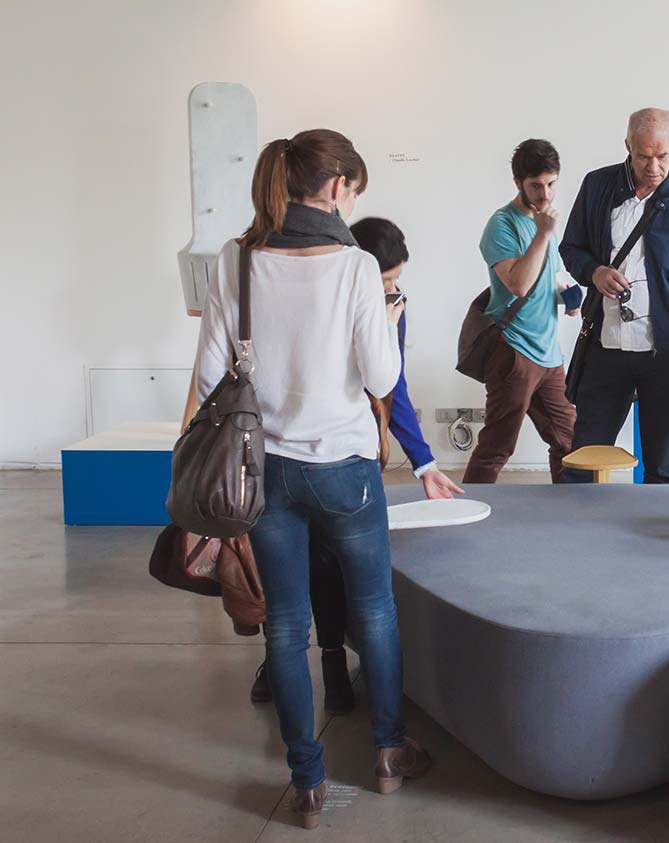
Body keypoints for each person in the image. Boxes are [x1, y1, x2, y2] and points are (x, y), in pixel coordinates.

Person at [193, 129, 431, 828]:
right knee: (377, 609)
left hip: (265, 471)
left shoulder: (235, 260)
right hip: (346, 470)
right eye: (353, 187)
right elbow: (382, 377)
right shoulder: (356, 267)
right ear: (336, 188)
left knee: (286, 625)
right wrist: (387, 321)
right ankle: (389, 753)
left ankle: (306, 781)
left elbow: (211, 378)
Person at [247, 217, 463, 713]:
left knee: (325, 569)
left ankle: (331, 671)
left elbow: (394, 386)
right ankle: (294, 670)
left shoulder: (390, 307)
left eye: (396, 281)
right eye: (385, 281)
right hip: (301, 454)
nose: (393, 292)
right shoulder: (319, 292)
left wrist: (424, 463)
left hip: (346, 454)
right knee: (291, 582)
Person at [559, 108, 669, 483]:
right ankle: (577, 533)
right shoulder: (597, 186)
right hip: (605, 344)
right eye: (643, 156)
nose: (653, 167)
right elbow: (571, 248)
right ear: (627, 147)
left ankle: (656, 540)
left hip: (668, 349)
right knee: (584, 455)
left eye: (662, 156)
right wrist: (594, 272)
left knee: (661, 464)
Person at [463, 139, 580, 482]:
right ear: (518, 183)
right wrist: (543, 234)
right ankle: (468, 515)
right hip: (513, 351)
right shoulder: (502, 225)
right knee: (497, 447)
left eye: (551, 183)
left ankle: (567, 513)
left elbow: (550, 278)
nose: (545, 194)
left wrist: (569, 297)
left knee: (569, 441)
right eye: (536, 186)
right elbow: (518, 285)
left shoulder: (546, 225)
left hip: (549, 355)